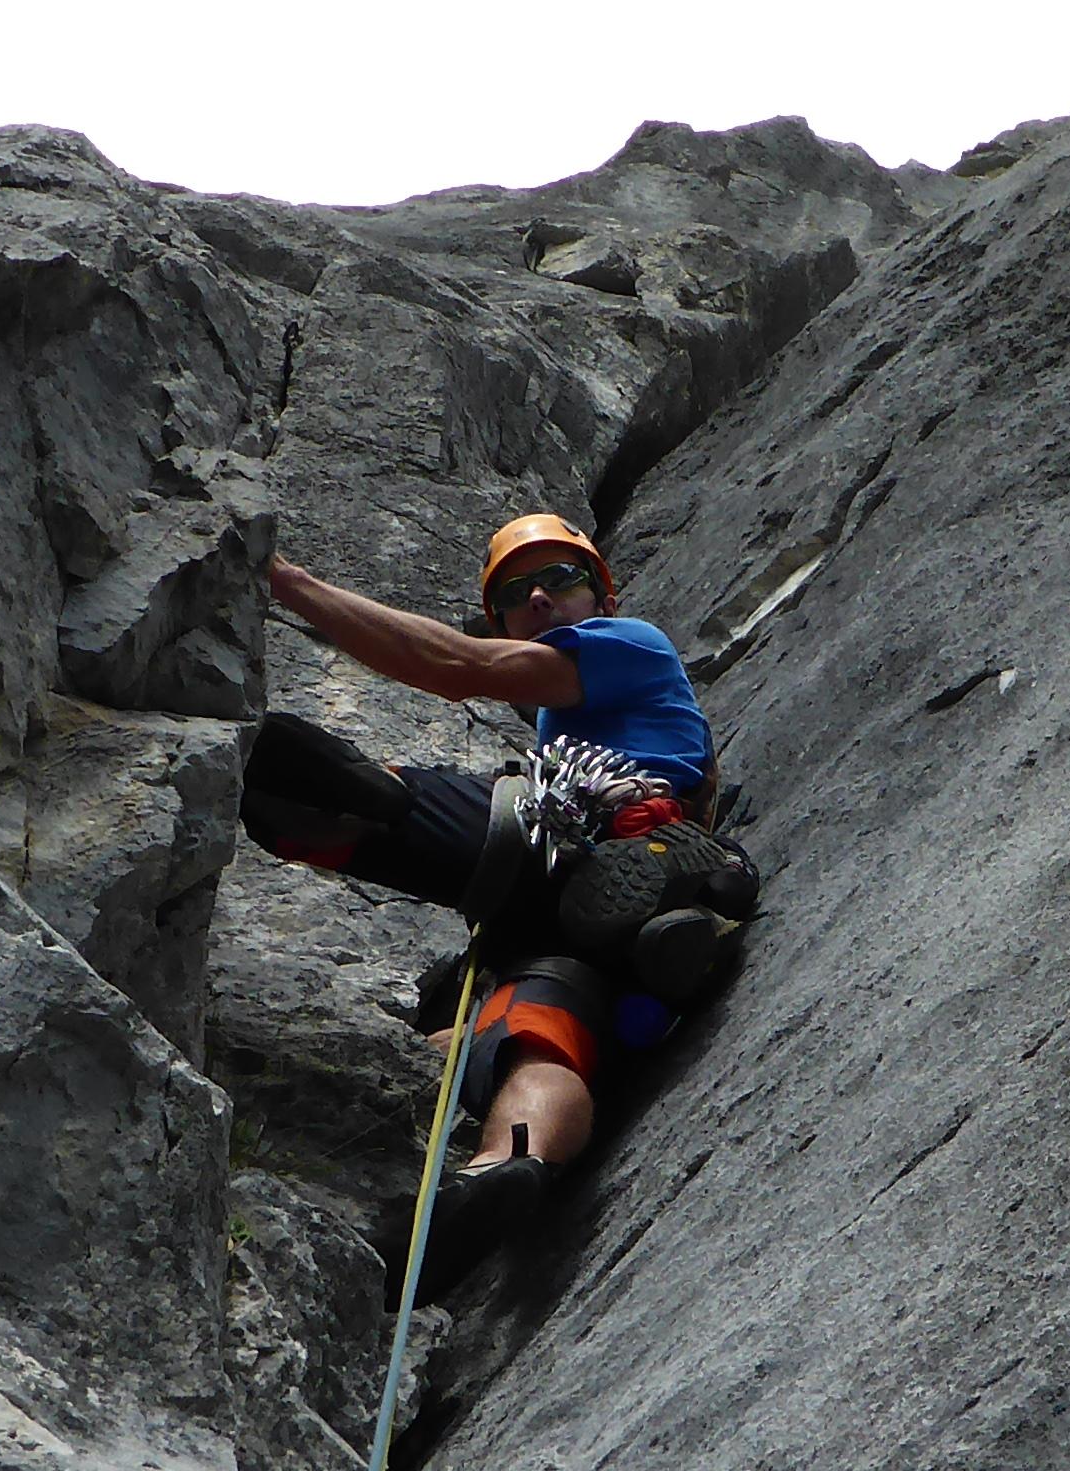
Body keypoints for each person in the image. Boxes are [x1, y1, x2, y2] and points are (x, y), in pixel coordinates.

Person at [240, 512, 750, 1278]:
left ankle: (329, 794)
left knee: (336, 779)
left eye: (560, 578)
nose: (540, 597)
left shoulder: (628, 644)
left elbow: (454, 665)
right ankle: (504, 1169)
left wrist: (285, 580)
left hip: (574, 841)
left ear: (603, 597)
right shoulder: (577, 719)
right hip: (594, 911)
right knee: (536, 1034)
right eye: (517, 591)